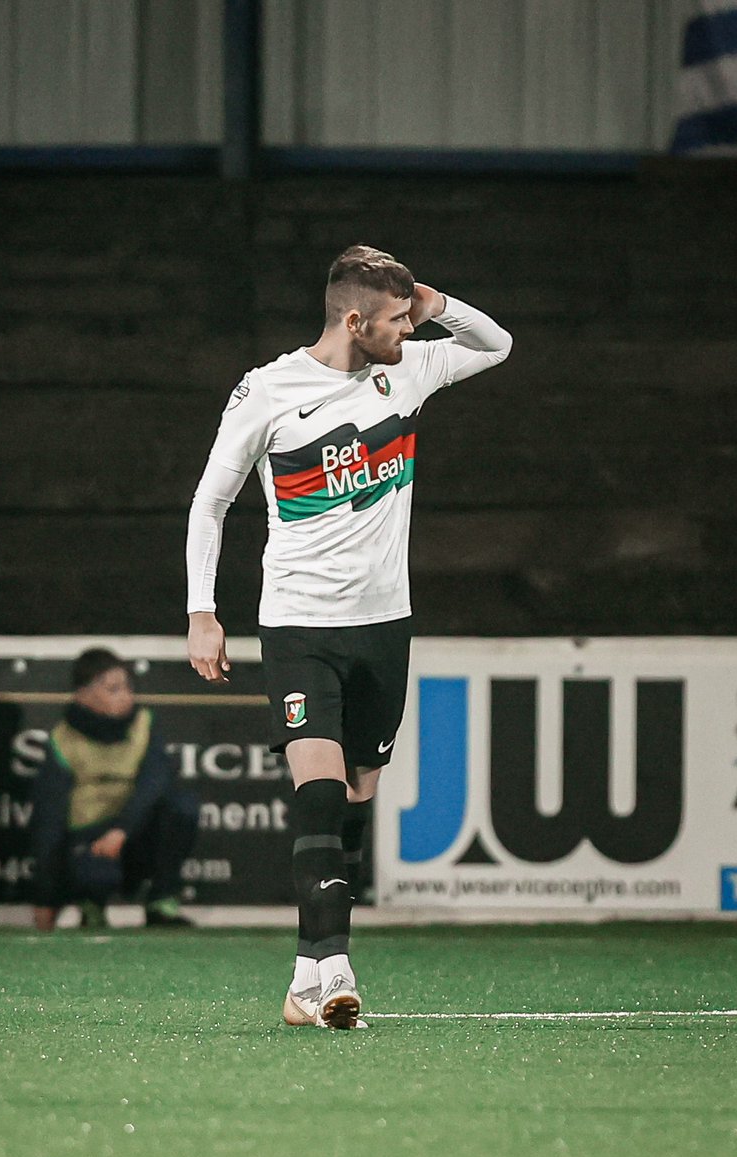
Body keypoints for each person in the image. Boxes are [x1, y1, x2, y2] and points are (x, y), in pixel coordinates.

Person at [185, 245, 512, 1028]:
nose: (408, 331)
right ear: (354, 320)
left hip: (383, 625)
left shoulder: (409, 370)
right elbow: (210, 502)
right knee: (322, 793)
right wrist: (203, 609)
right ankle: (335, 970)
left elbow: (495, 344)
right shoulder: (267, 390)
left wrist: (433, 303)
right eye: (397, 320)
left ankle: (306, 975)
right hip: (299, 625)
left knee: (357, 796)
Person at [29, 647, 200, 931]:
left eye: (127, 687)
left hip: (131, 835)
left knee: (182, 806)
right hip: (91, 843)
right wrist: (44, 898)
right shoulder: (63, 740)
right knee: (91, 871)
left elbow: (154, 783)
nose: (126, 696)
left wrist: (121, 829)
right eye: (113, 689)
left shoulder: (145, 725)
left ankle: (161, 902)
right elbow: (49, 823)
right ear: (83, 694)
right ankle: (91, 906)